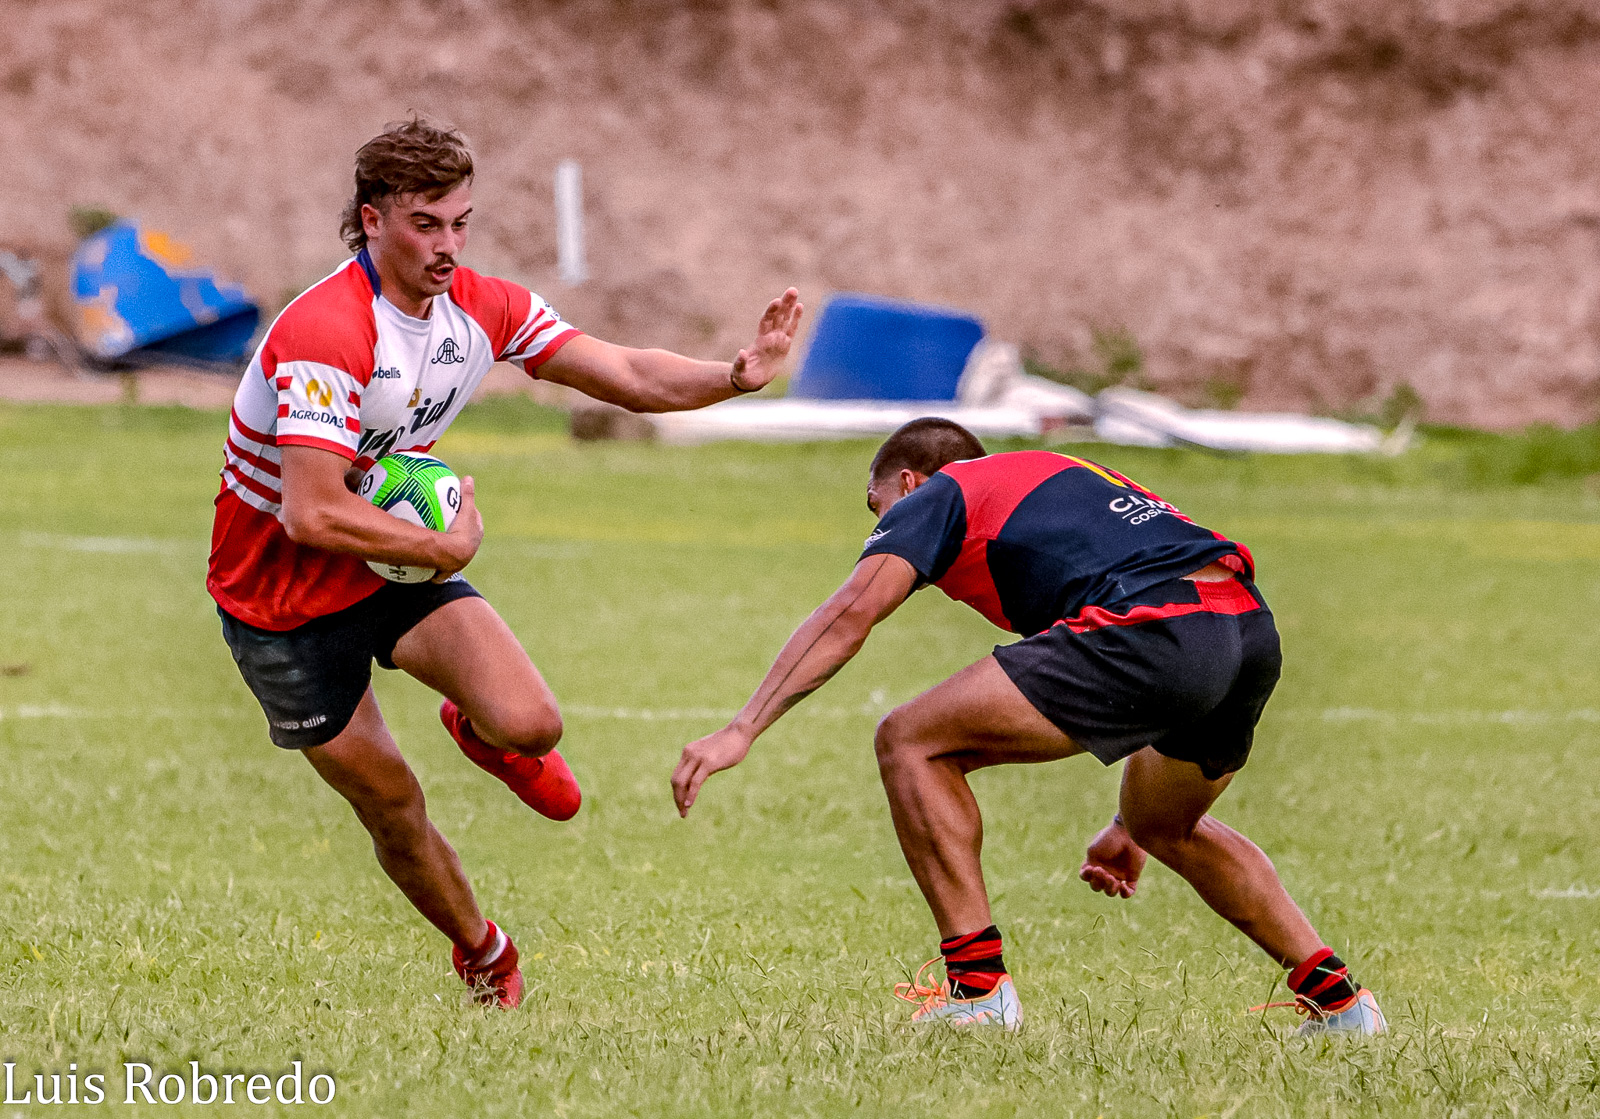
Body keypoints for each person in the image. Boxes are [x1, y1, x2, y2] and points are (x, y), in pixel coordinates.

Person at [210, 117, 803, 1008]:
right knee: (394, 808)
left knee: (531, 722)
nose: (448, 246)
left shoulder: (479, 309)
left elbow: (627, 372)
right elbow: (310, 509)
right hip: (279, 602)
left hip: (385, 562)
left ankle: (478, 728)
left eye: (461, 222)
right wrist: (443, 547)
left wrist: (733, 373)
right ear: (371, 221)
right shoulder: (327, 329)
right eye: (425, 224)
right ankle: (482, 949)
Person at [671, 418, 1384, 1034]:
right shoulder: (1062, 473)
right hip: (1246, 628)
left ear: (911, 483)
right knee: (1165, 823)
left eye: (876, 506)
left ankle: (978, 992)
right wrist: (1132, 821)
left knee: (911, 740)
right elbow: (1146, 588)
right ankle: (1344, 1004)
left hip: (1159, 630)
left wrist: (743, 727)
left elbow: (851, 611)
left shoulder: (943, 493)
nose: (878, 526)